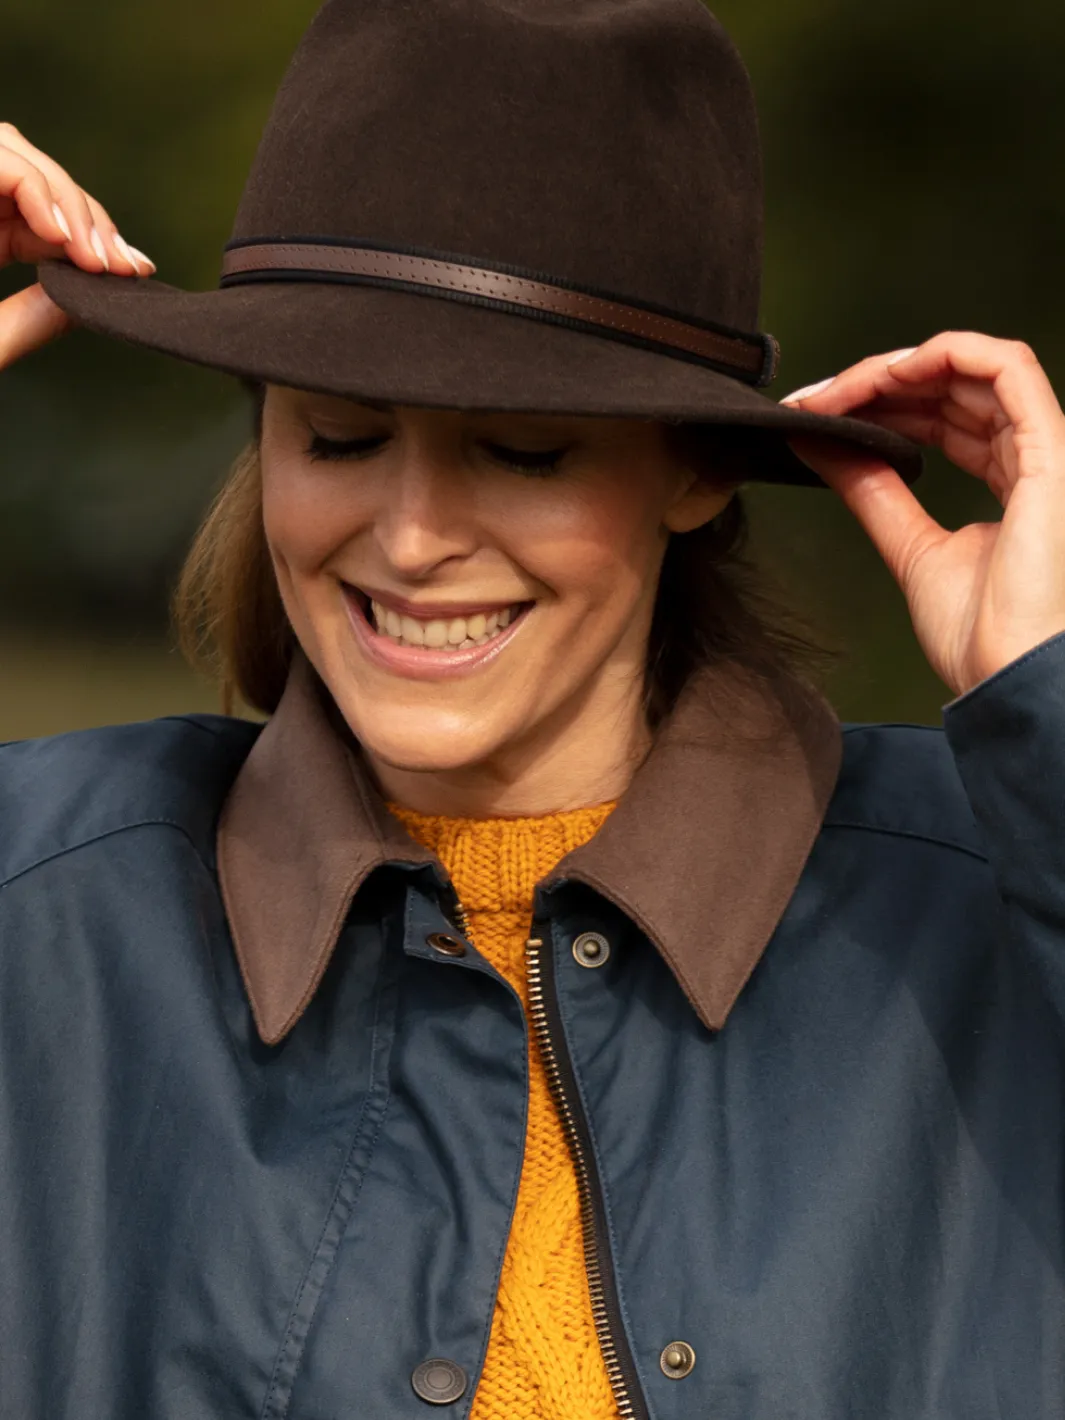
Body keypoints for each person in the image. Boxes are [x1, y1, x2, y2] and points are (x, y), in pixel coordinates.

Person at [2, 1, 1064, 1416]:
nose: (414, 534)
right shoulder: (48, 911)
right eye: (338, 435)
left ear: (697, 472)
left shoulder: (995, 911)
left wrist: (1051, 710)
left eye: (524, 451)